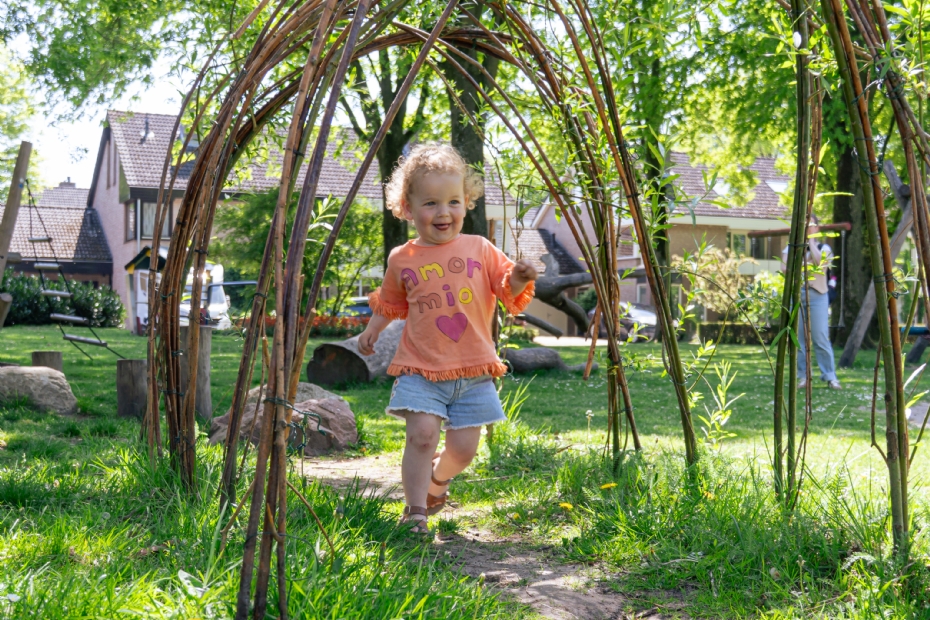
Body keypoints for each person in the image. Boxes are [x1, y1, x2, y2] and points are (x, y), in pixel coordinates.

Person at [357, 143, 538, 535]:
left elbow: (507, 290)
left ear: (467, 202)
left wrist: (520, 277)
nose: (444, 213)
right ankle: (416, 512)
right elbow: (390, 302)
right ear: (407, 207)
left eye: (454, 201)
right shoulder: (401, 258)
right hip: (422, 367)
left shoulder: (480, 248)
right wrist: (372, 329)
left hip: (474, 370)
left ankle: (439, 482)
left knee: (463, 450)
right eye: (431, 203)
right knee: (421, 436)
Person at [781, 216, 841, 390]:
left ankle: (830, 377)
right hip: (797, 294)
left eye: (812, 225)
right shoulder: (791, 247)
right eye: (805, 224)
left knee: (820, 336)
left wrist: (812, 243)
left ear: (817, 228)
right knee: (799, 338)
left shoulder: (825, 248)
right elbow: (785, 269)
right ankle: (803, 376)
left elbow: (820, 264)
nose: (808, 227)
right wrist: (805, 263)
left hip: (818, 295)